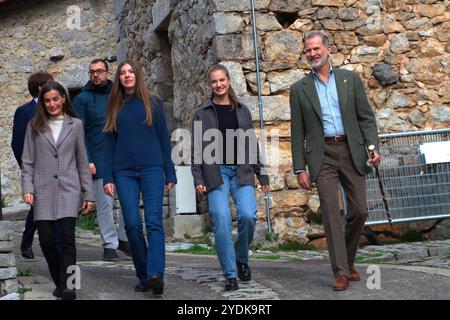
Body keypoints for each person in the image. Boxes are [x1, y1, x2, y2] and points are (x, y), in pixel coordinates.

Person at [289, 31, 381, 291]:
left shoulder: (349, 79)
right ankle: (341, 271)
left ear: (328, 50)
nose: (312, 54)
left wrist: (373, 146)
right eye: (308, 50)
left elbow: (366, 117)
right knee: (330, 213)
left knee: (360, 210)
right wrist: (300, 168)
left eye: (316, 49)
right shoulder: (299, 90)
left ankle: (347, 259)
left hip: (353, 151)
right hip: (322, 156)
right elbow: (297, 132)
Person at [191, 64, 270, 291]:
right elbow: (197, 148)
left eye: (222, 80)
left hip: (242, 170)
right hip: (216, 172)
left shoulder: (242, 110)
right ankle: (231, 274)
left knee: (248, 215)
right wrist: (198, 178)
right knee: (221, 218)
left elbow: (252, 144)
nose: (219, 85)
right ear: (211, 85)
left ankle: (241, 257)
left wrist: (262, 175)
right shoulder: (202, 113)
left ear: (228, 81)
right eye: (214, 81)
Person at [103, 60, 176, 295]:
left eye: (130, 71)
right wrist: (107, 178)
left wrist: (170, 171)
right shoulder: (114, 105)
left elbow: (164, 138)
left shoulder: (152, 101)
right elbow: (108, 145)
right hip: (123, 172)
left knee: (154, 222)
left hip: (152, 168)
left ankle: (156, 274)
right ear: (119, 78)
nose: (126, 76)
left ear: (137, 75)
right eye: (122, 73)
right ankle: (143, 274)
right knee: (132, 224)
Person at [21, 81, 95, 300]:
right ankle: (60, 281)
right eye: (47, 100)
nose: (52, 104)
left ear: (63, 98)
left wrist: (88, 193)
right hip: (42, 191)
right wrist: (27, 188)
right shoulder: (33, 126)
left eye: (56, 99)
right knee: (46, 240)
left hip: (69, 190)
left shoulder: (76, 125)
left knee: (67, 239)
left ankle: (70, 286)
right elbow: (27, 162)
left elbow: (83, 162)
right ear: (42, 103)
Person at [73, 58, 130, 261]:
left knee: (127, 200)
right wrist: (87, 159)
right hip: (98, 157)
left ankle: (124, 239)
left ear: (107, 72)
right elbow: (78, 133)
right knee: (105, 204)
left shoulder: (119, 95)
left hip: (122, 156)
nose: (96, 75)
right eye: (92, 72)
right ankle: (109, 245)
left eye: (99, 71)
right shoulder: (82, 99)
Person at [11, 72, 59, 259]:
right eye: (50, 83)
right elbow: (17, 143)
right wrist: (27, 169)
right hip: (36, 169)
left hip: (56, 169)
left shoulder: (55, 110)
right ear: (39, 88)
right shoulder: (24, 112)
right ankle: (29, 243)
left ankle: (52, 247)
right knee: (39, 206)